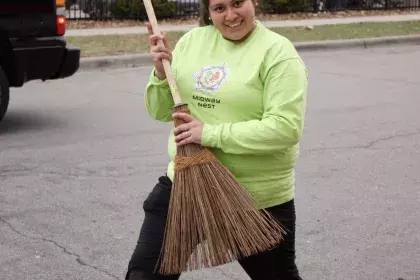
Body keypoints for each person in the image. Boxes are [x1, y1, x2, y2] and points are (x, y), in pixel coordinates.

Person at [125, 0, 308, 278]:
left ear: (253, 2)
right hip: (185, 184)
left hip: (253, 197)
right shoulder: (192, 42)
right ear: (208, 12)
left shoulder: (278, 53)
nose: (231, 15)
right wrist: (162, 75)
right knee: (145, 274)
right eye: (219, 8)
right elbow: (161, 111)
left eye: (238, 3)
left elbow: (285, 128)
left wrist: (208, 133)